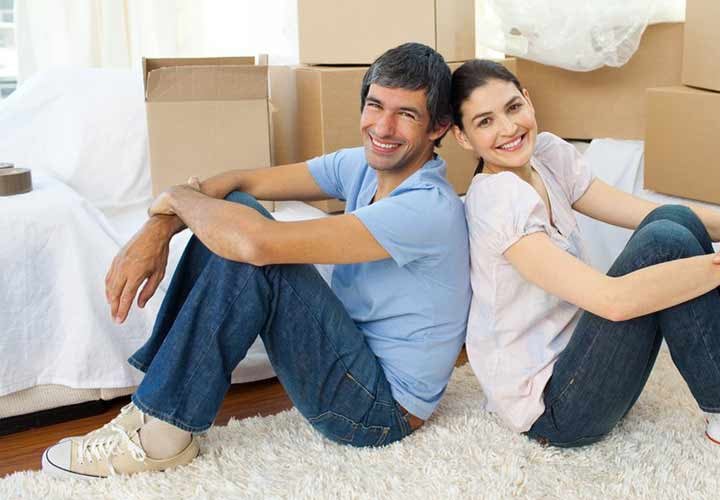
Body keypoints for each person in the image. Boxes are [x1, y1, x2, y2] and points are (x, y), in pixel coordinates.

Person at [41, 43, 471, 479]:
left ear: (437, 127)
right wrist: (158, 228)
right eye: (375, 105)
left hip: (378, 412)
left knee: (250, 248)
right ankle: (156, 408)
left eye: (406, 114)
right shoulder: (362, 166)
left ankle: (161, 434)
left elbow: (258, 245)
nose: (383, 126)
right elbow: (237, 181)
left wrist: (172, 203)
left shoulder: (428, 209)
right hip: (354, 362)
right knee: (240, 207)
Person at [449, 59, 720, 466]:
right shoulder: (496, 201)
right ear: (462, 136)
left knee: (674, 223)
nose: (509, 129)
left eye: (512, 108)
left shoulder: (546, 156)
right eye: (485, 121)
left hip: (584, 361)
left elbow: (643, 212)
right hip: (554, 410)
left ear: (527, 99)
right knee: (666, 243)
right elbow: (612, 301)